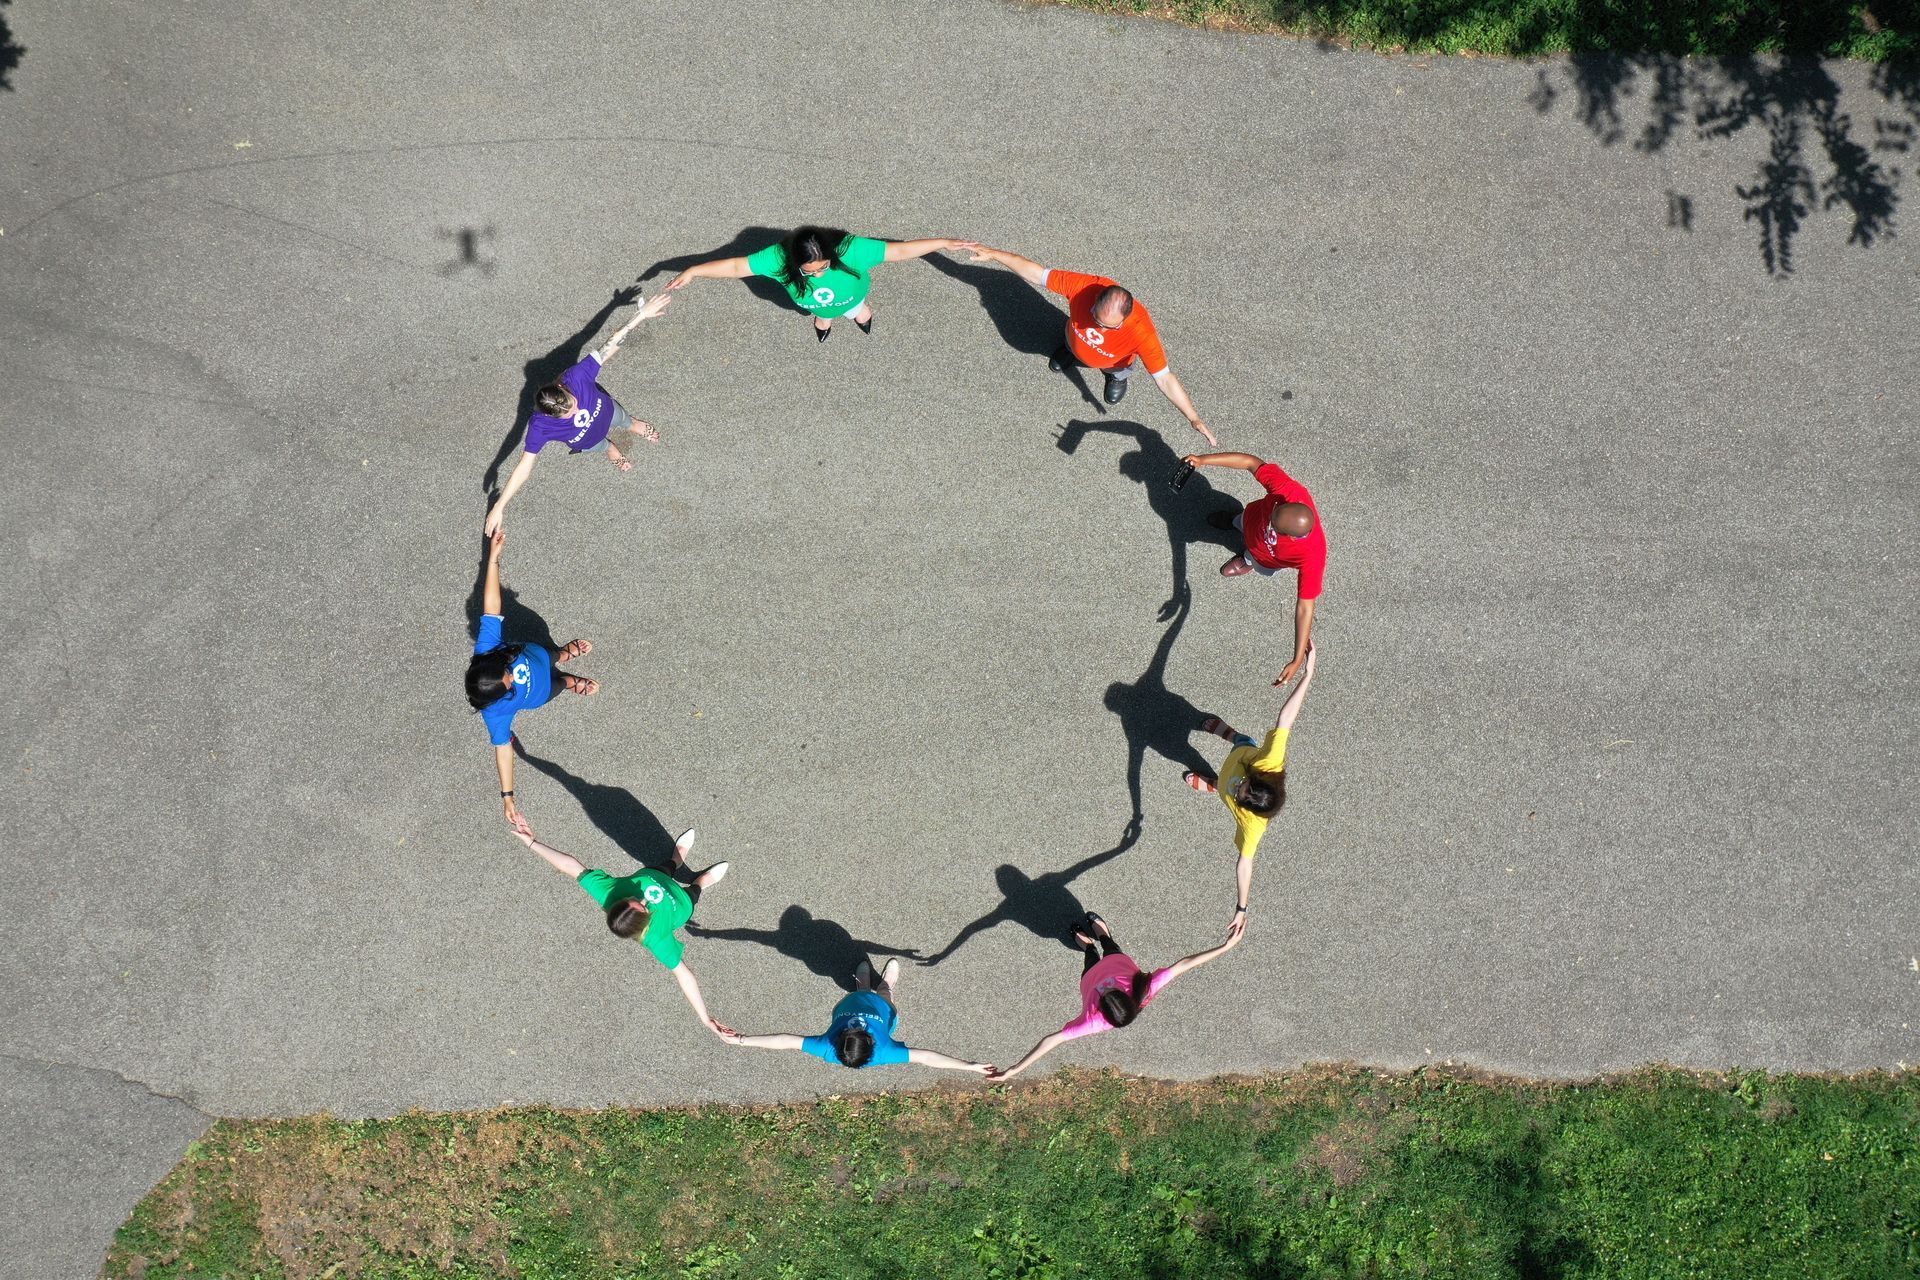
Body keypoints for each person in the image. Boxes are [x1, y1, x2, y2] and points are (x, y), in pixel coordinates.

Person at [957, 244, 1214, 444]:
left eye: (1108, 327)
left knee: (1117, 368)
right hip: (1074, 340)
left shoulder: (1142, 333)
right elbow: (1036, 273)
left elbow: (1165, 378)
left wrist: (1193, 417)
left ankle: (1116, 378)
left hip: (1114, 362)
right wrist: (995, 254)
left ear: (1125, 318)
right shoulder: (1083, 286)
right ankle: (1073, 354)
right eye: (1095, 317)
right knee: (1074, 344)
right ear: (1095, 300)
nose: (1098, 328)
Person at [510, 818, 736, 1039]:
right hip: (680, 904)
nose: (643, 896)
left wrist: (531, 842)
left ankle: (677, 858)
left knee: (663, 868)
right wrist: (706, 1019)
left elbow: (569, 865)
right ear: (643, 924)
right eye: (644, 907)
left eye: (633, 898)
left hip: (654, 875)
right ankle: (702, 882)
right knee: (692, 893)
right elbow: (684, 976)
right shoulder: (656, 939)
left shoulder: (609, 893)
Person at [484, 292, 674, 535]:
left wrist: (640, 315)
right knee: (601, 446)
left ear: (563, 387)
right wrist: (500, 505)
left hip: (608, 411)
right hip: (588, 441)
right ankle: (610, 449)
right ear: (549, 416)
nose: (575, 410)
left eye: (572, 403)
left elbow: (608, 342)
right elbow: (524, 465)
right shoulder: (539, 425)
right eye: (565, 414)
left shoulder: (576, 376)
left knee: (623, 418)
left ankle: (632, 424)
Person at [987, 912, 1241, 1082]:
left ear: (1103, 1013)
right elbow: (1185, 964)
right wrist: (1226, 947)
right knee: (1110, 946)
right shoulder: (1144, 988)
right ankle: (1103, 935)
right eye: (1113, 991)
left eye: (1103, 997)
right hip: (1115, 961)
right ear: (1126, 996)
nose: (1104, 989)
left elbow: (1052, 1040)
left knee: (1089, 958)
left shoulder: (1093, 1022)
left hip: (1088, 975)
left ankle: (1087, 945)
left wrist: (1015, 1069)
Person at [466, 530, 599, 828]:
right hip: (541, 693)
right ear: (496, 700)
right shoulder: (495, 713)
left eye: (505, 671)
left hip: (540, 655)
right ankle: (569, 681)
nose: (511, 676)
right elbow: (502, 749)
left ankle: (563, 654)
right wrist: (508, 797)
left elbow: (490, 605)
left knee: (553, 655)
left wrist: (493, 561)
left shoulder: (486, 649)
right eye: (509, 683)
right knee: (559, 685)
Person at [1185, 643, 1316, 937]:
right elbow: (1286, 718)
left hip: (1225, 782)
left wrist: (1241, 907)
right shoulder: (1270, 764)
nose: (1241, 789)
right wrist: (1308, 674)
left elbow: (1245, 864)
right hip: (1242, 752)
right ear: (1259, 780)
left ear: (1251, 809)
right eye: (1246, 785)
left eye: (1242, 796)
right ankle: (1227, 733)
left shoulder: (1253, 826)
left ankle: (1214, 784)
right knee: (1241, 739)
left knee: (1223, 787)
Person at [663, 225, 969, 342]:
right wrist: (694, 271)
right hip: (816, 306)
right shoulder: (778, 257)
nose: (819, 274)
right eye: (810, 271)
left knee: (860, 311)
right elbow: (735, 266)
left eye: (825, 267)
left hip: (853, 298)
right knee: (822, 318)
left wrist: (941, 242)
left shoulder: (851, 249)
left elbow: (900, 250)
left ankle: (862, 319)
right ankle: (827, 325)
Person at [1182, 451, 1325, 685]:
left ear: (1291, 535)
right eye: (1273, 516)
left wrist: (1298, 658)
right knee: (1243, 520)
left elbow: (1305, 608)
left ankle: (1247, 561)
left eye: (1274, 527)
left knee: (1256, 559)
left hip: (1265, 558)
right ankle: (1234, 520)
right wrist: (1203, 460)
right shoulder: (1289, 491)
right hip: (1249, 519)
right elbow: (1250, 463)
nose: (1269, 523)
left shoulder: (1313, 556)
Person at [720, 958, 992, 1075]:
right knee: (884, 991)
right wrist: (968, 1066)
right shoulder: (884, 1052)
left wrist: (741, 1040)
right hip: (884, 1011)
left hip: (848, 1003)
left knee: (862, 988)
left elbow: (786, 1041)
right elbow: (926, 1058)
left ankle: (862, 983)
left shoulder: (827, 1048)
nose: (857, 1026)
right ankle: (886, 983)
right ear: (872, 1044)